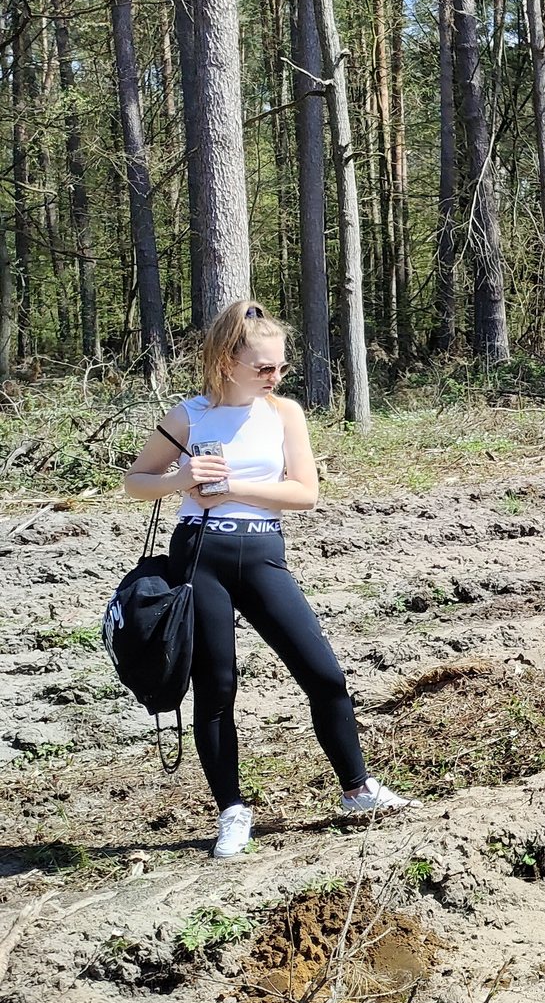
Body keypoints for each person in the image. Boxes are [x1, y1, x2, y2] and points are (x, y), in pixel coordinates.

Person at [122, 302, 413, 860]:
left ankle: (357, 788)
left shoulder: (285, 415)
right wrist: (180, 477)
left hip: (261, 553)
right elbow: (135, 482)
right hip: (199, 554)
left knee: (323, 672)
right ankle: (232, 811)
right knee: (217, 689)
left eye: (280, 367)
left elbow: (305, 494)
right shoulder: (189, 416)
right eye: (264, 368)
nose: (274, 377)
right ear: (228, 362)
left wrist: (232, 488)